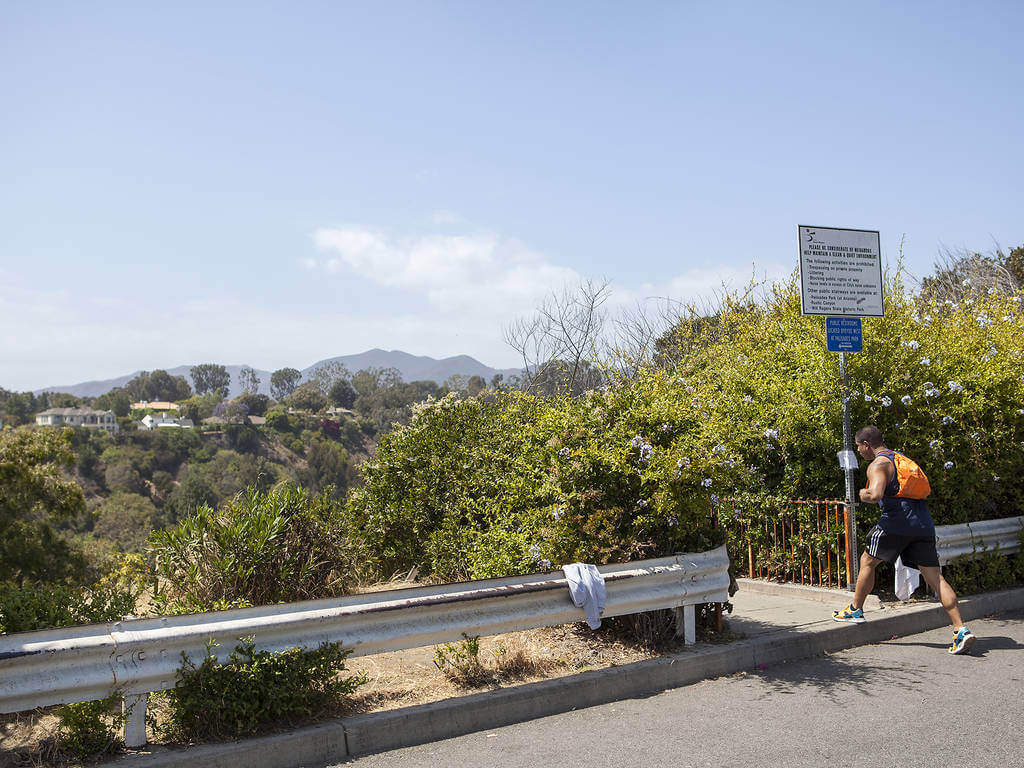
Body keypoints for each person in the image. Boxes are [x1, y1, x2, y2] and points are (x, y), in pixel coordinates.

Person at [832, 425, 976, 654]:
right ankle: (961, 629)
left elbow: (876, 494)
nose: (859, 452)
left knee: (868, 561)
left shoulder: (879, 464)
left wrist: (862, 493)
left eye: (859, 447)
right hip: (922, 523)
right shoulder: (902, 460)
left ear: (866, 445)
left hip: (896, 522)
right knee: (935, 578)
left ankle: (855, 610)